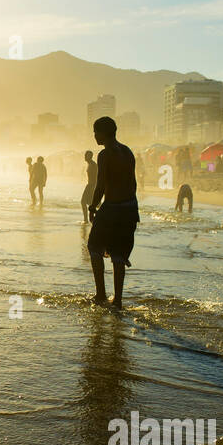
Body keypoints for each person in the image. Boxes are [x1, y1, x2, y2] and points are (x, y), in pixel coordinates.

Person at [86, 116, 139, 309]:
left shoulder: (105, 154)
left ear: (103, 133)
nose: (94, 136)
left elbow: (100, 186)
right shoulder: (128, 152)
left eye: (95, 132)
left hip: (112, 208)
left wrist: (93, 207)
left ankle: (100, 295)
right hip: (130, 208)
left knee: (93, 247)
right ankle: (118, 300)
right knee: (118, 255)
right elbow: (133, 183)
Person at [81, 150, 98, 216]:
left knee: (84, 202)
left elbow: (96, 176)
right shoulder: (90, 164)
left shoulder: (93, 165)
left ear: (90, 156)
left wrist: (93, 187)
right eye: (85, 155)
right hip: (90, 185)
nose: (84, 157)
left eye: (86, 155)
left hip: (91, 186)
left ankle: (87, 220)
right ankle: (92, 219)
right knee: (90, 203)